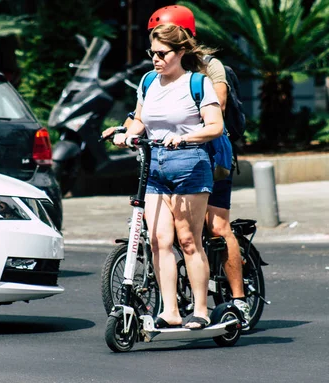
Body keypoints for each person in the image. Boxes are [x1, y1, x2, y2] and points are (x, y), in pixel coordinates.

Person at [106, 5, 252, 329]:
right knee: (159, 241)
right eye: (152, 52)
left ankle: (201, 310)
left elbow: (214, 125)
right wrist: (124, 135)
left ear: (180, 51)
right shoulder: (147, 82)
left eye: (162, 53)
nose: (155, 59)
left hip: (191, 164)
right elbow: (140, 121)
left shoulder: (199, 82)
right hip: (154, 166)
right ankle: (170, 310)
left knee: (189, 239)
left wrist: (186, 138)